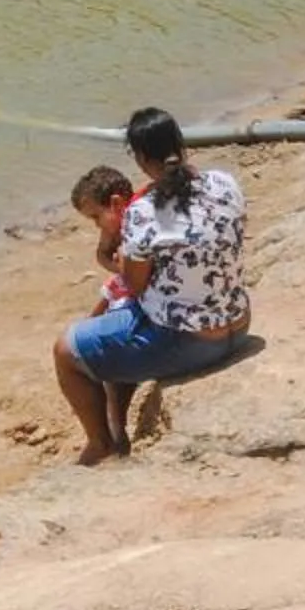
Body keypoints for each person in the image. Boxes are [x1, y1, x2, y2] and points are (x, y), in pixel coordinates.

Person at [53, 109, 250, 466]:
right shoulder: (225, 182)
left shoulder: (144, 211)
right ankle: (116, 424)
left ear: (141, 158)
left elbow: (134, 283)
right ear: (181, 144)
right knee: (114, 323)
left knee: (66, 352)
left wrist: (111, 248)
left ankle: (101, 443)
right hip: (238, 320)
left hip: (196, 341)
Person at [71, 164, 135, 317]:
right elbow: (101, 254)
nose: (96, 224)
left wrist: (127, 269)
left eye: (96, 216)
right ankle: (90, 323)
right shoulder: (111, 230)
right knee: (107, 296)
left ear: (117, 204)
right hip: (126, 277)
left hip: (141, 283)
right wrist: (118, 268)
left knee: (115, 297)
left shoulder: (139, 226)